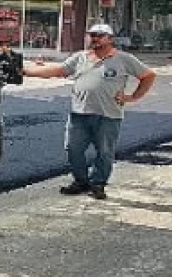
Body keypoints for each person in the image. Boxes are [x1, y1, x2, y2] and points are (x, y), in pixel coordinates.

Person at [20, 23, 156, 199]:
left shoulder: (123, 59)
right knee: (72, 148)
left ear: (110, 39)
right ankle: (81, 181)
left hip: (108, 115)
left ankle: (98, 184)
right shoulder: (80, 58)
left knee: (104, 152)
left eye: (99, 35)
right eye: (92, 35)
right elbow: (59, 70)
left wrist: (132, 97)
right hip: (79, 114)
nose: (95, 38)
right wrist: (27, 72)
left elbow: (148, 75)